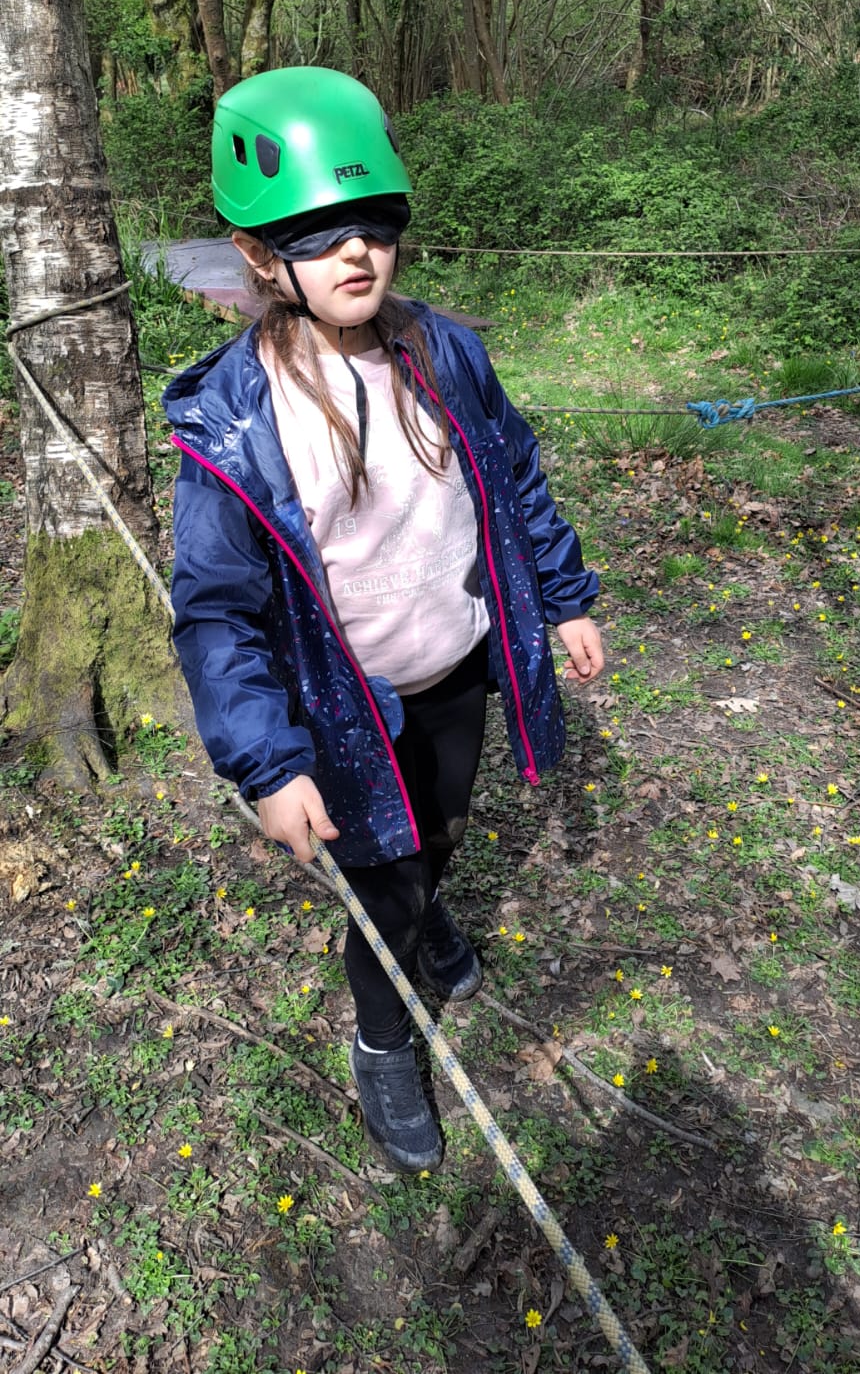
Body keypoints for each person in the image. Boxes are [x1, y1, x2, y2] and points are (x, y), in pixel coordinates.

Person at [163, 66, 604, 1175]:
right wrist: (267, 763)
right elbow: (215, 611)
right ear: (258, 253)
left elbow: (514, 474)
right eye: (315, 233)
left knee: (438, 833)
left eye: (375, 221)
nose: (354, 250)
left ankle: (428, 911)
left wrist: (562, 597)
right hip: (345, 704)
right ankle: (382, 1039)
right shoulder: (236, 420)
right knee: (383, 883)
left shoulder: (444, 353)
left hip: (452, 671)